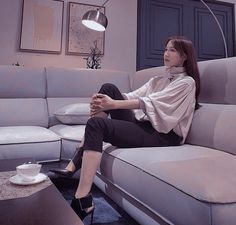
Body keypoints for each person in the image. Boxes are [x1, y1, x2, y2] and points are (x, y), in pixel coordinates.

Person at [50, 36, 201, 223]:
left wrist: (113, 104)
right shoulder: (159, 79)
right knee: (108, 88)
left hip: (164, 135)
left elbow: (154, 103)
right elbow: (132, 96)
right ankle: (78, 158)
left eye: (171, 50)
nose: (165, 54)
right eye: (165, 49)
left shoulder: (187, 83)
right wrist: (104, 100)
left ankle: (82, 198)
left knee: (96, 124)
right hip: (146, 126)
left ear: (184, 56)